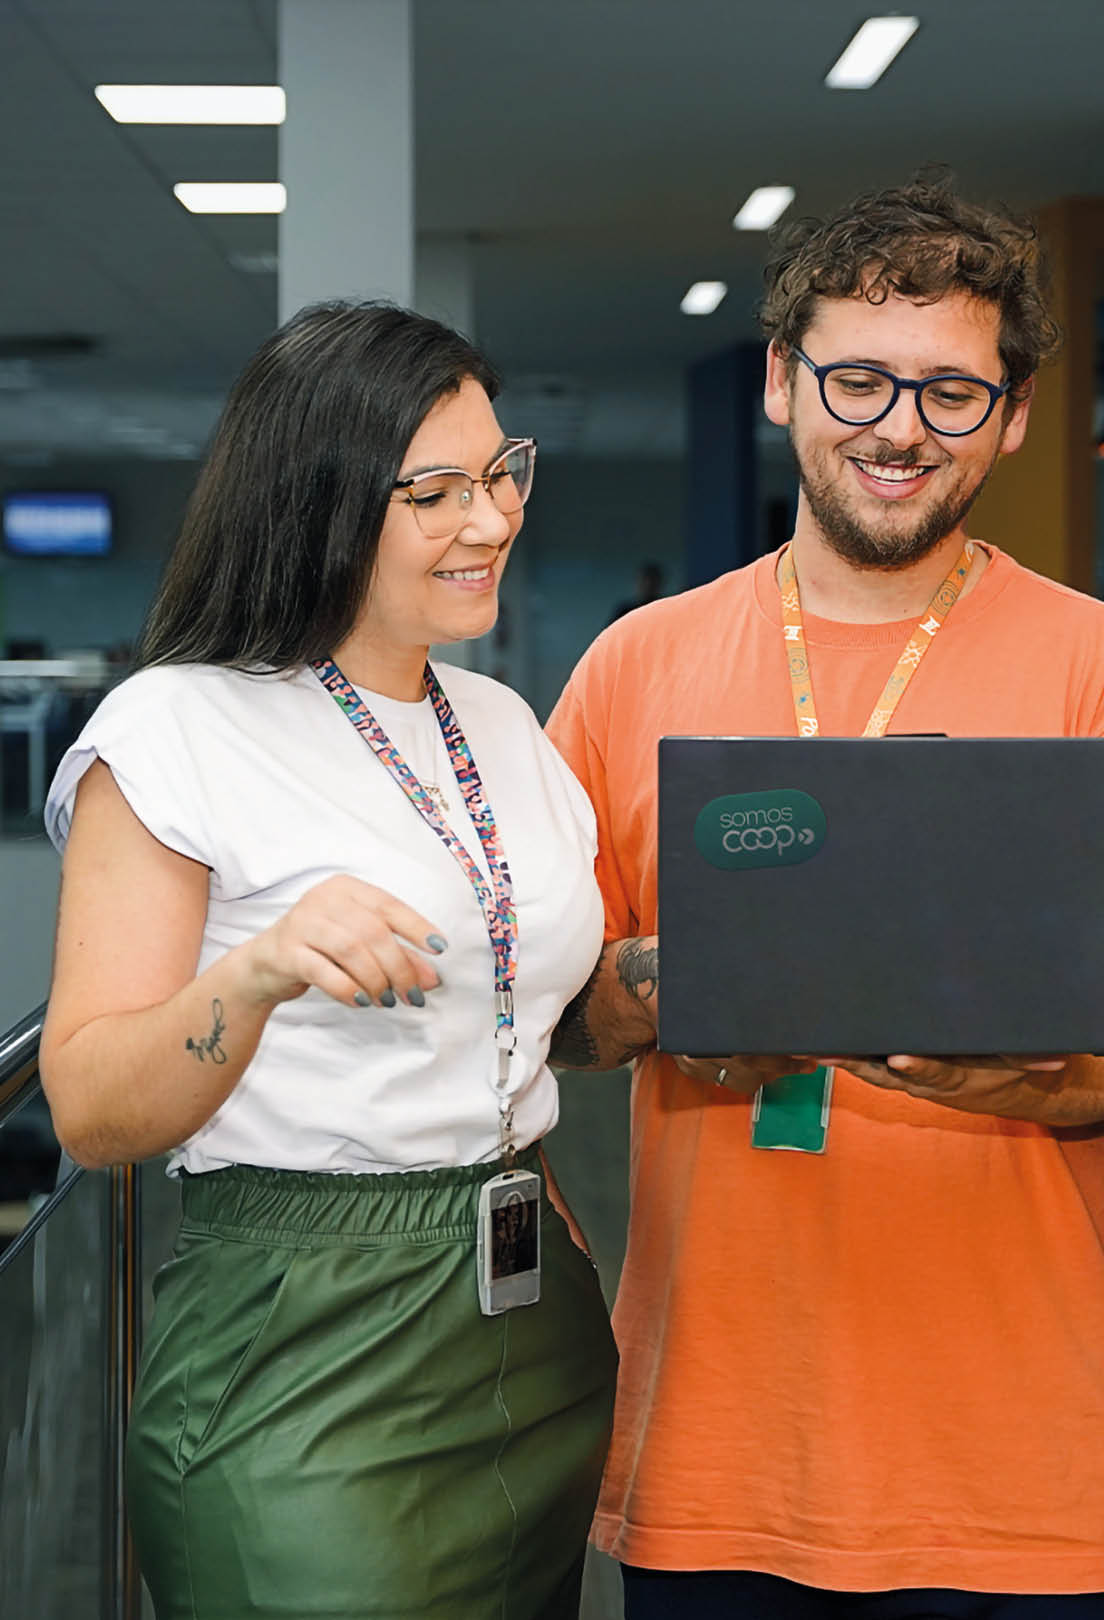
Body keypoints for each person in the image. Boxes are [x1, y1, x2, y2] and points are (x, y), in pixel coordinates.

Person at [545, 174, 1104, 1617]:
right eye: (857, 378)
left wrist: (989, 1075)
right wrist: (683, 990)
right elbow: (552, 1021)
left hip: (1023, 1477)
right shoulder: (634, 668)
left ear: (1017, 414)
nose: (900, 427)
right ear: (783, 384)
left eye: (952, 393)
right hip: (720, 1467)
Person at [38, 302, 618, 1620]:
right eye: (436, 492)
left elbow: (535, 1005)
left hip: (529, 1314)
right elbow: (90, 1106)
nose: (490, 520)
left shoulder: (504, 723)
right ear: (321, 500)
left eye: (499, 472)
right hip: (306, 1340)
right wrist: (255, 975)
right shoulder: (177, 727)